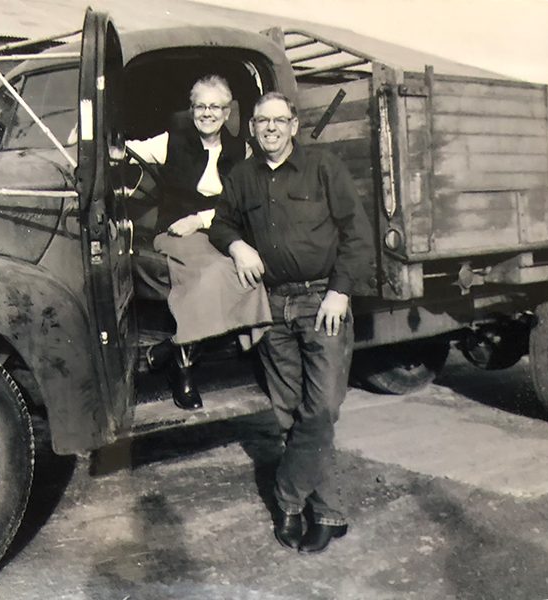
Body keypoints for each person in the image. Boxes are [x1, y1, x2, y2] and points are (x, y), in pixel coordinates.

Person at [208, 92, 376, 553]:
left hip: (323, 301)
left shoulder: (324, 168)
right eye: (262, 121)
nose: (271, 129)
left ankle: (287, 501)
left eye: (279, 121)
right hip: (271, 306)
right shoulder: (241, 177)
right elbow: (221, 225)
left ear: (294, 125)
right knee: (289, 412)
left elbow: (357, 234)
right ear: (253, 128)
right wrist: (237, 245)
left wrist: (340, 291)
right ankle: (327, 512)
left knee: (320, 410)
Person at [123, 75, 269, 411]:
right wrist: (83, 133)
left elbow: (241, 200)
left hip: (219, 232)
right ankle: (184, 369)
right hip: (174, 233)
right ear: (191, 111)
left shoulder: (240, 150)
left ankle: (173, 349)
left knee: (246, 274)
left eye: (215, 107)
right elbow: (127, 150)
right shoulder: (170, 142)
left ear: (228, 111)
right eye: (201, 106)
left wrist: (201, 220)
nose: (208, 113)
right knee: (211, 275)